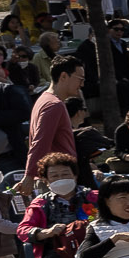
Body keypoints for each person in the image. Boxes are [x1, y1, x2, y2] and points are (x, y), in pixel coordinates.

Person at [24, 57, 84, 185]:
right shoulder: (54, 105)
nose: (82, 85)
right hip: (58, 180)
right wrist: (29, 175)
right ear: (63, 76)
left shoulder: (44, 99)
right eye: (80, 79)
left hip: (56, 177)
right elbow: (40, 143)